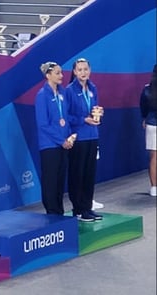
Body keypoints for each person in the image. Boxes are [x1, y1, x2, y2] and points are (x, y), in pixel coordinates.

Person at [66, 58, 103, 222]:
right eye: (79, 70)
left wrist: (98, 114)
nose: (83, 73)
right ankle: (78, 209)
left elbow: (93, 108)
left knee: (89, 173)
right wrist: (83, 120)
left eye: (85, 69)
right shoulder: (69, 90)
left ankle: (87, 207)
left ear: (90, 70)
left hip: (92, 135)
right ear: (74, 72)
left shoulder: (93, 88)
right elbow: (66, 116)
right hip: (78, 137)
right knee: (77, 174)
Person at [35, 61, 74, 216]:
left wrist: (70, 136)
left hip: (63, 144)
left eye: (61, 72)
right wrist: (61, 140)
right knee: (50, 180)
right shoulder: (42, 95)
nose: (61, 76)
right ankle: (51, 212)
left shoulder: (62, 93)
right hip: (49, 145)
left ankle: (59, 211)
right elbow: (43, 124)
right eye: (57, 73)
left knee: (59, 180)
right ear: (48, 75)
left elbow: (66, 117)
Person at [139, 64, 157, 197]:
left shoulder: (147, 89)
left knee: (153, 157)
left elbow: (143, 107)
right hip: (151, 123)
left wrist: (145, 118)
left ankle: (154, 188)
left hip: (151, 124)